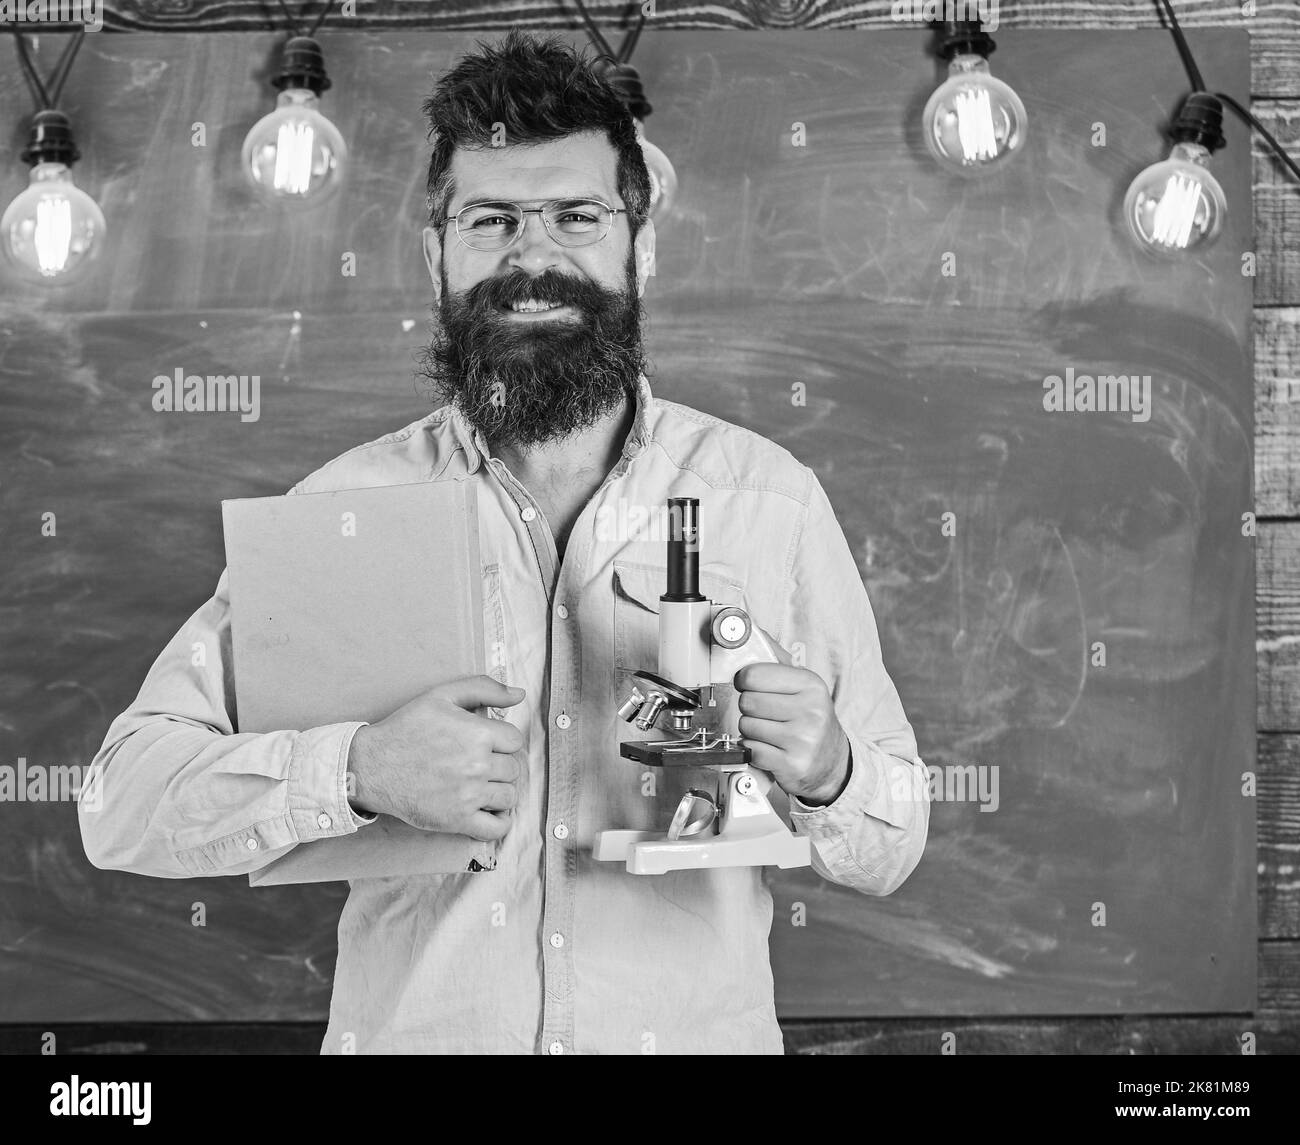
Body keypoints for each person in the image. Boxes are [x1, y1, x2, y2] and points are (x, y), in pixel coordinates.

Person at [79, 29, 929, 1054]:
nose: (534, 255)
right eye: (491, 219)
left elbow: (891, 842)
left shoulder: (766, 502)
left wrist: (831, 767)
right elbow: (121, 801)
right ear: (434, 250)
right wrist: (356, 769)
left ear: (639, 243)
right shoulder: (344, 508)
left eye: (576, 215)